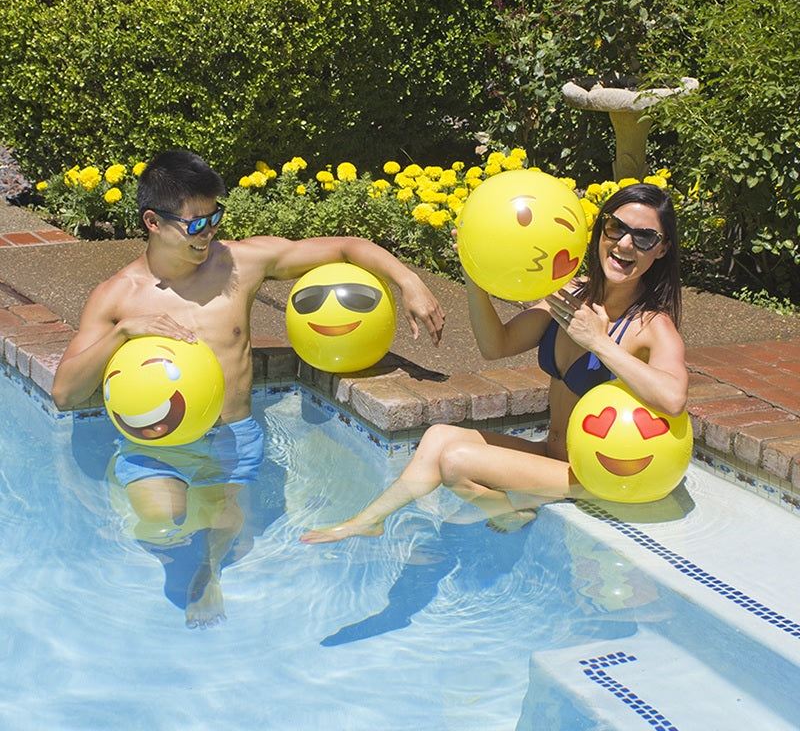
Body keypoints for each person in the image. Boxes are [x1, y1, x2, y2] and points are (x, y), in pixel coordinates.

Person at [52, 149, 446, 628]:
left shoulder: (241, 263)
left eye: (215, 218)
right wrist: (121, 333)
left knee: (229, 533)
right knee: (161, 525)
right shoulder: (118, 297)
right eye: (195, 224)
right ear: (153, 222)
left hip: (229, 441)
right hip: (156, 446)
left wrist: (409, 281)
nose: (209, 233)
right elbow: (64, 394)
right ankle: (183, 563)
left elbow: (346, 246)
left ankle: (209, 573)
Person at [301, 182, 688, 543]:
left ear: (662, 248)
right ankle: (370, 520)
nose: (624, 244)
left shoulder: (652, 326)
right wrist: (473, 274)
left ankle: (509, 510)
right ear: (601, 230)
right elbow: (495, 345)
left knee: (455, 462)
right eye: (615, 227)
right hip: (551, 458)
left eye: (643, 237)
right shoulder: (571, 296)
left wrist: (599, 343)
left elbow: (673, 399)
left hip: (593, 477)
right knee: (438, 436)